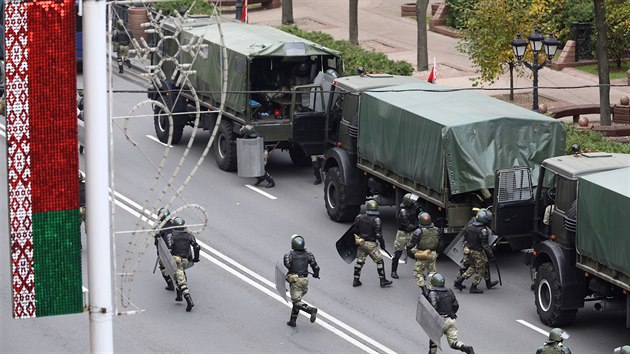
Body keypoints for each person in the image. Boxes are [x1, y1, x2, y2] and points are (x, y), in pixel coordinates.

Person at [426, 273, 475, 354]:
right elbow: (456, 305)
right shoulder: (449, 291)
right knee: (453, 342)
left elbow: (433, 308)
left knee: (433, 341)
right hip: (451, 320)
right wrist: (451, 313)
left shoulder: (433, 293)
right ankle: (466, 348)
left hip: (440, 321)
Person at [351, 200, 392, 288]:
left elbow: (354, 229)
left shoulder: (359, 217)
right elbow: (378, 235)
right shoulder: (376, 220)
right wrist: (382, 244)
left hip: (361, 243)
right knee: (379, 261)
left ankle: (356, 280)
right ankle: (383, 280)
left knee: (359, 262)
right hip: (371, 245)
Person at [453, 208, 495, 294]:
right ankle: (473, 287)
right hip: (477, 252)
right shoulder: (483, 231)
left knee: (472, 267)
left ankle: (459, 280)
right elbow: (485, 245)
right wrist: (491, 255)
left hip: (468, 250)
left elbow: (464, 238)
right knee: (480, 269)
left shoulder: (469, 226)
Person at [283, 234, 320, 327]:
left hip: (296, 280)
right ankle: (292, 321)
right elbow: (316, 267)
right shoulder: (308, 255)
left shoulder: (289, 255)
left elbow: (287, 266)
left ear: (293, 245)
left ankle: (310, 310)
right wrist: (316, 274)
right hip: (305, 280)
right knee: (298, 300)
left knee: (296, 302)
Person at [165, 217, 200, 312]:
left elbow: (169, 250)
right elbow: (196, 247)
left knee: (180, 281)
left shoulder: (171, 236)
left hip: (176, 260)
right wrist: (196, 258)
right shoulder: (189, 235)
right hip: (186, 260)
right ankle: (179, 296)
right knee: (181, 275)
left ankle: (189, 300)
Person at [406, 212, 440, 296]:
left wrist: (408, 248)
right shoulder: (437, 230)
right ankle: (431, 289)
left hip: (422, 254)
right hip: (433, 254)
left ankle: (424, 288)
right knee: (432, 272)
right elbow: (440, 242)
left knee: (417, 272)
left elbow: (412, 243)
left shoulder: (419, 231)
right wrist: (437, 252)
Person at [391, 193, 418, 279]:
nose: (414, 202)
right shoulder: (403, 212)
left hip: (412, 232)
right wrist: (417, 226)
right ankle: (393, 271)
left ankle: (419, 271)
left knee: (417, 253)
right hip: (403, 234)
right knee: (398, 253)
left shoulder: (413, 208)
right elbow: (407, 226)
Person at [154, 207, 175, 291]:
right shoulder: (175, 224)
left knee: (163, 267)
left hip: (166, 252)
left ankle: (170, 284)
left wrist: (159, 253)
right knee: (179, 267)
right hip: (177, 251)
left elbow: (157, 243)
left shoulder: (159, 228)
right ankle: (182, 285)